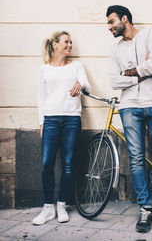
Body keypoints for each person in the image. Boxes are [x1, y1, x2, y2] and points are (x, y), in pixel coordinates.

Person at [106, 5, 152, 233]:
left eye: (112, 21)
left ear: (124, 19)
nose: (109, 27)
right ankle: (146, 207)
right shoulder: (115, 51)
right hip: (130, 107)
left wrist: (129, 72)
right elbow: (114, 81)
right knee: (136, 158)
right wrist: (139, 76)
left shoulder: (149, 35)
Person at [32, 31, 91, 225]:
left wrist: (79, 83)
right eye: (66, 42)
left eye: (71, 42)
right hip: (50, 120)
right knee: (46, 163)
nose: (69, 45)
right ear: (55, 44)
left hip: (72, 119)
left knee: (68, 164)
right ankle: (48, 207)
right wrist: (42, 122)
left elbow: (87, 87)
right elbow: (41, 98)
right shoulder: (44, 70)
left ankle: (62, 204)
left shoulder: (76, 66)